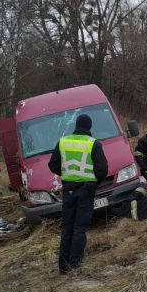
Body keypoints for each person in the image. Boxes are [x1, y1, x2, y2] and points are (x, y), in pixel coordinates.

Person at [48, 114, 108, 274]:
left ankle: (63, 266)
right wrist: (92, 184)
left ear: (76, 125)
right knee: (79, 228)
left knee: (68, 227)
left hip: (68, 190)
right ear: (89, 127)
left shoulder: (63, 142)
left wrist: (67, 174)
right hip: (85, 190)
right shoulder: (94, 143)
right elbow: (102, 169)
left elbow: (52, 165)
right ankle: (75, 264)